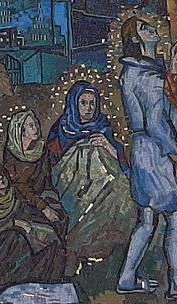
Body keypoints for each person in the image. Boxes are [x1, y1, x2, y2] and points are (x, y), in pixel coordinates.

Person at [113, 15, 177, 298]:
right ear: (135, 39)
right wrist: (174, 154)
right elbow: (156, 120)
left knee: (147, 219)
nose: (153, 29)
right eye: (145, 28)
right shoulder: (148, 76)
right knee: (176, 216)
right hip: (156, 151)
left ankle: (127, 278)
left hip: (141, 150)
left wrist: (172, 74)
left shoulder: (134, 72)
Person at [45, 81, 136, 259]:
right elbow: (52, 165)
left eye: (92, 103)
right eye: (83, 103)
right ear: (74, 103)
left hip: (103, 182)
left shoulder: (102, 126)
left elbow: (119, 159)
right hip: (72, 186)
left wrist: (106, 145)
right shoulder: (62, 128)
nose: (89, 108)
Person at [0, 158, 71, 300]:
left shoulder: (14, 193)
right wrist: (12, 224)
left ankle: (45, 283)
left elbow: (30, 203)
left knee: (48, 238)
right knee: (16, 237)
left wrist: (43, 213)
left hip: (19, 245)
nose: (0, 177)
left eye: (0, 172)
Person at [1, 109, 67, 237]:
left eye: (36, 124)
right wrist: (43, 207)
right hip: (22, 201)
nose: (36, 128)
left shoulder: (41, 149)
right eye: (31, 126)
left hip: (42, 194)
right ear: (21, 131)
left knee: (60, 218)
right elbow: (19, 186)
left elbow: (46, 177)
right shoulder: (12, 154)